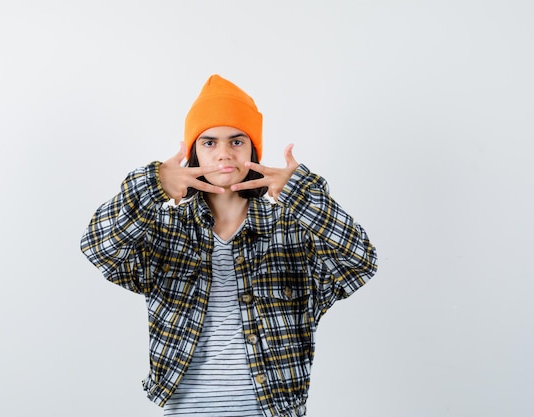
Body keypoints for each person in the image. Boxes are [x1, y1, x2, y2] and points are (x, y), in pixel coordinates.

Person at [80, 74, 378, 417]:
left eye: (237, 141)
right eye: (209, 143)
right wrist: (152, 185)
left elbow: (359, 261)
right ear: (193, 153)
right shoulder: (166, 230)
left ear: (253, 150)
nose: (223, 154)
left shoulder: (292, 230)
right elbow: (99, 247)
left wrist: (302, 194)